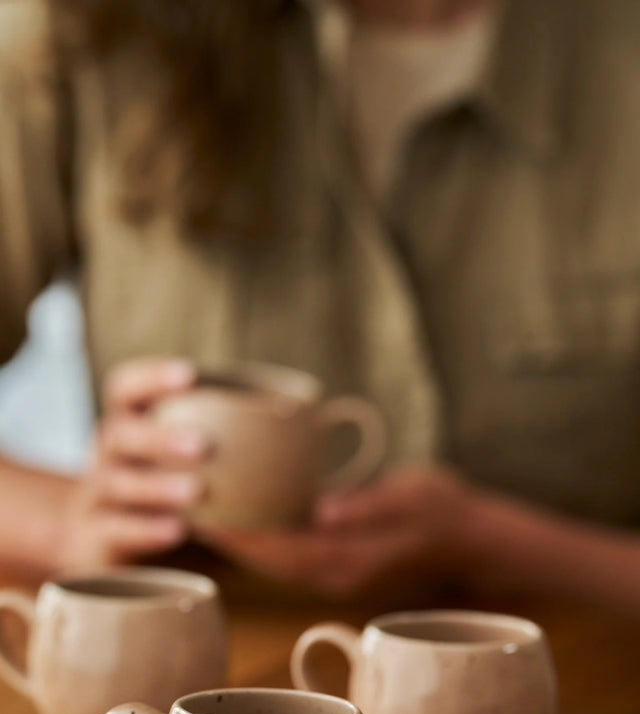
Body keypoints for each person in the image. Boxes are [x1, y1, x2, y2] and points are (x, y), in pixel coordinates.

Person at [2, 0, 640, 618]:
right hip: (189, 665)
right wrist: (62, 528)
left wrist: (491, 540)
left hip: (586, 667)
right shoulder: (83, 22)